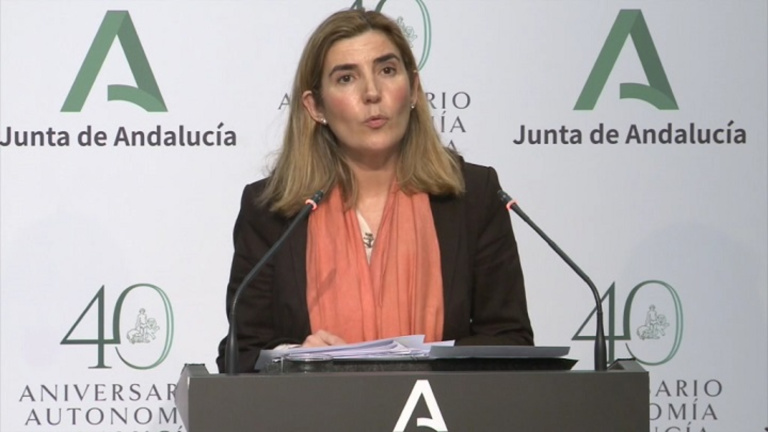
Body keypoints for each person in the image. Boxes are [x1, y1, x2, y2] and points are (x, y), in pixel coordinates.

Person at [216, 9, 533, 373]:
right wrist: (297, 359)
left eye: (387, 70)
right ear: (315, 106)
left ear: (413, 88)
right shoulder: (272, 211)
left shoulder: (472, 195)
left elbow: (510, 341)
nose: (372, 93)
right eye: (346, 78)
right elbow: (239, 354)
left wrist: (412, 367)